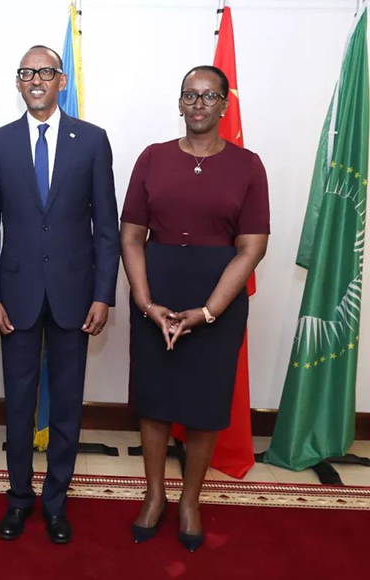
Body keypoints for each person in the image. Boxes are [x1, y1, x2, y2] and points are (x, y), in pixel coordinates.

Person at [0, 45, 120, 544]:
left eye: (46, 72)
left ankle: (56, 502)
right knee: (17, 405)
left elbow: (107, 228)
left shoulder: (92, 141)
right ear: (18, 83)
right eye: (27, 72)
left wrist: (103, 294)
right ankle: (19, 500)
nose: (36, 80)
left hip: (75, 297)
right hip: (13, 298)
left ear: (61, 81)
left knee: (67, 405)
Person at [120, 65, 269, 553]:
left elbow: (252, 248)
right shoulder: (153, 157)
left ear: (225, 104)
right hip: (156, 295)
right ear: (180, 103)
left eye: (209, 96)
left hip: (216, 302)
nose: (199, 104)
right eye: (190, 95)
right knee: (154, 400)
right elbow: (131, 236)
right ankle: (155, 495)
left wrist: (207, 312)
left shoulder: (248, 166)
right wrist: (145, 303)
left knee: (205, 405)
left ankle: (190, 501)